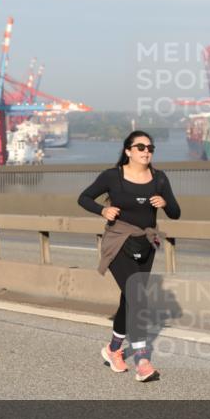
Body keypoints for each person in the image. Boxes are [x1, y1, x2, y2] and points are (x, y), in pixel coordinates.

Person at [77, 130, 180, 382]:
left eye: (150, 148)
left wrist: (164, 203)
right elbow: (83, 198)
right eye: (141, 147)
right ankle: (143, 361)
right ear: (128, 151)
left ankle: (113, 349)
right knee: (138, 296)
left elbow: (176, 213)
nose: (147, 151)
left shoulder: (159, 178)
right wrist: (103, 210)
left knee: (129, 298)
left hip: (146, 243)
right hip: (119, 242)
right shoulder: (113, 176)